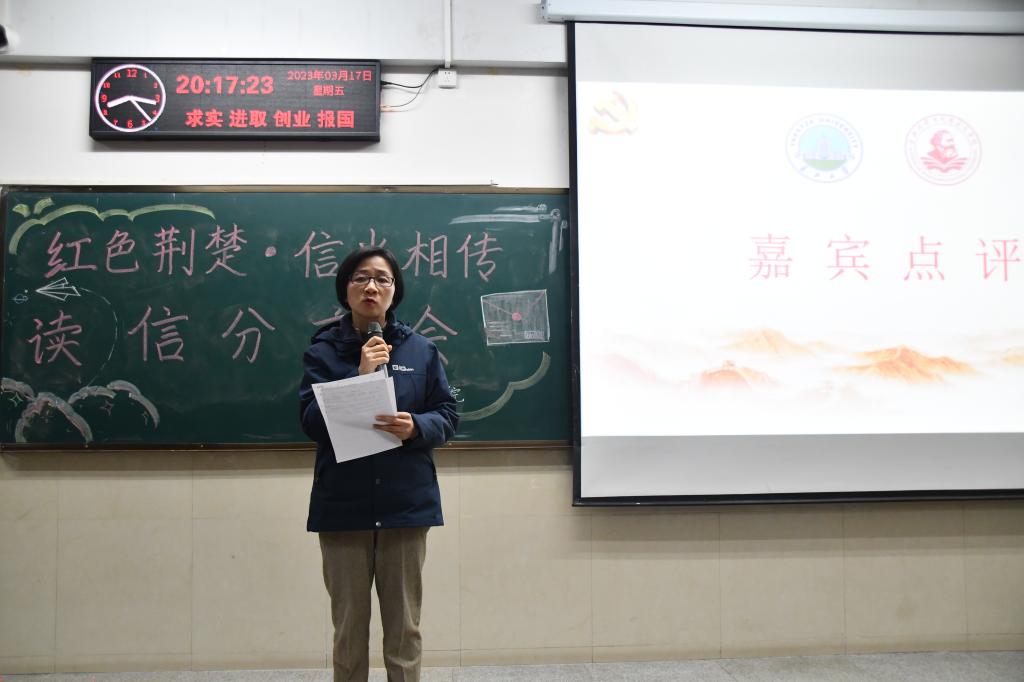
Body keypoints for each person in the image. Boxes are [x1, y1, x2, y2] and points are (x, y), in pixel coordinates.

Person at [299, 245, 459, 682]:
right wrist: (360, 376)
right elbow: (310, 422)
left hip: (405, 505)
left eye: (382, 279)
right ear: (346, 289)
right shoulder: (323, 352)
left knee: (404, 630)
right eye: (361, 278)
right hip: (343, 506)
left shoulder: (421, 350)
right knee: (349, 632)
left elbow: (447, 415)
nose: (371, 287)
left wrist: (417, 426)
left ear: (394, 291)